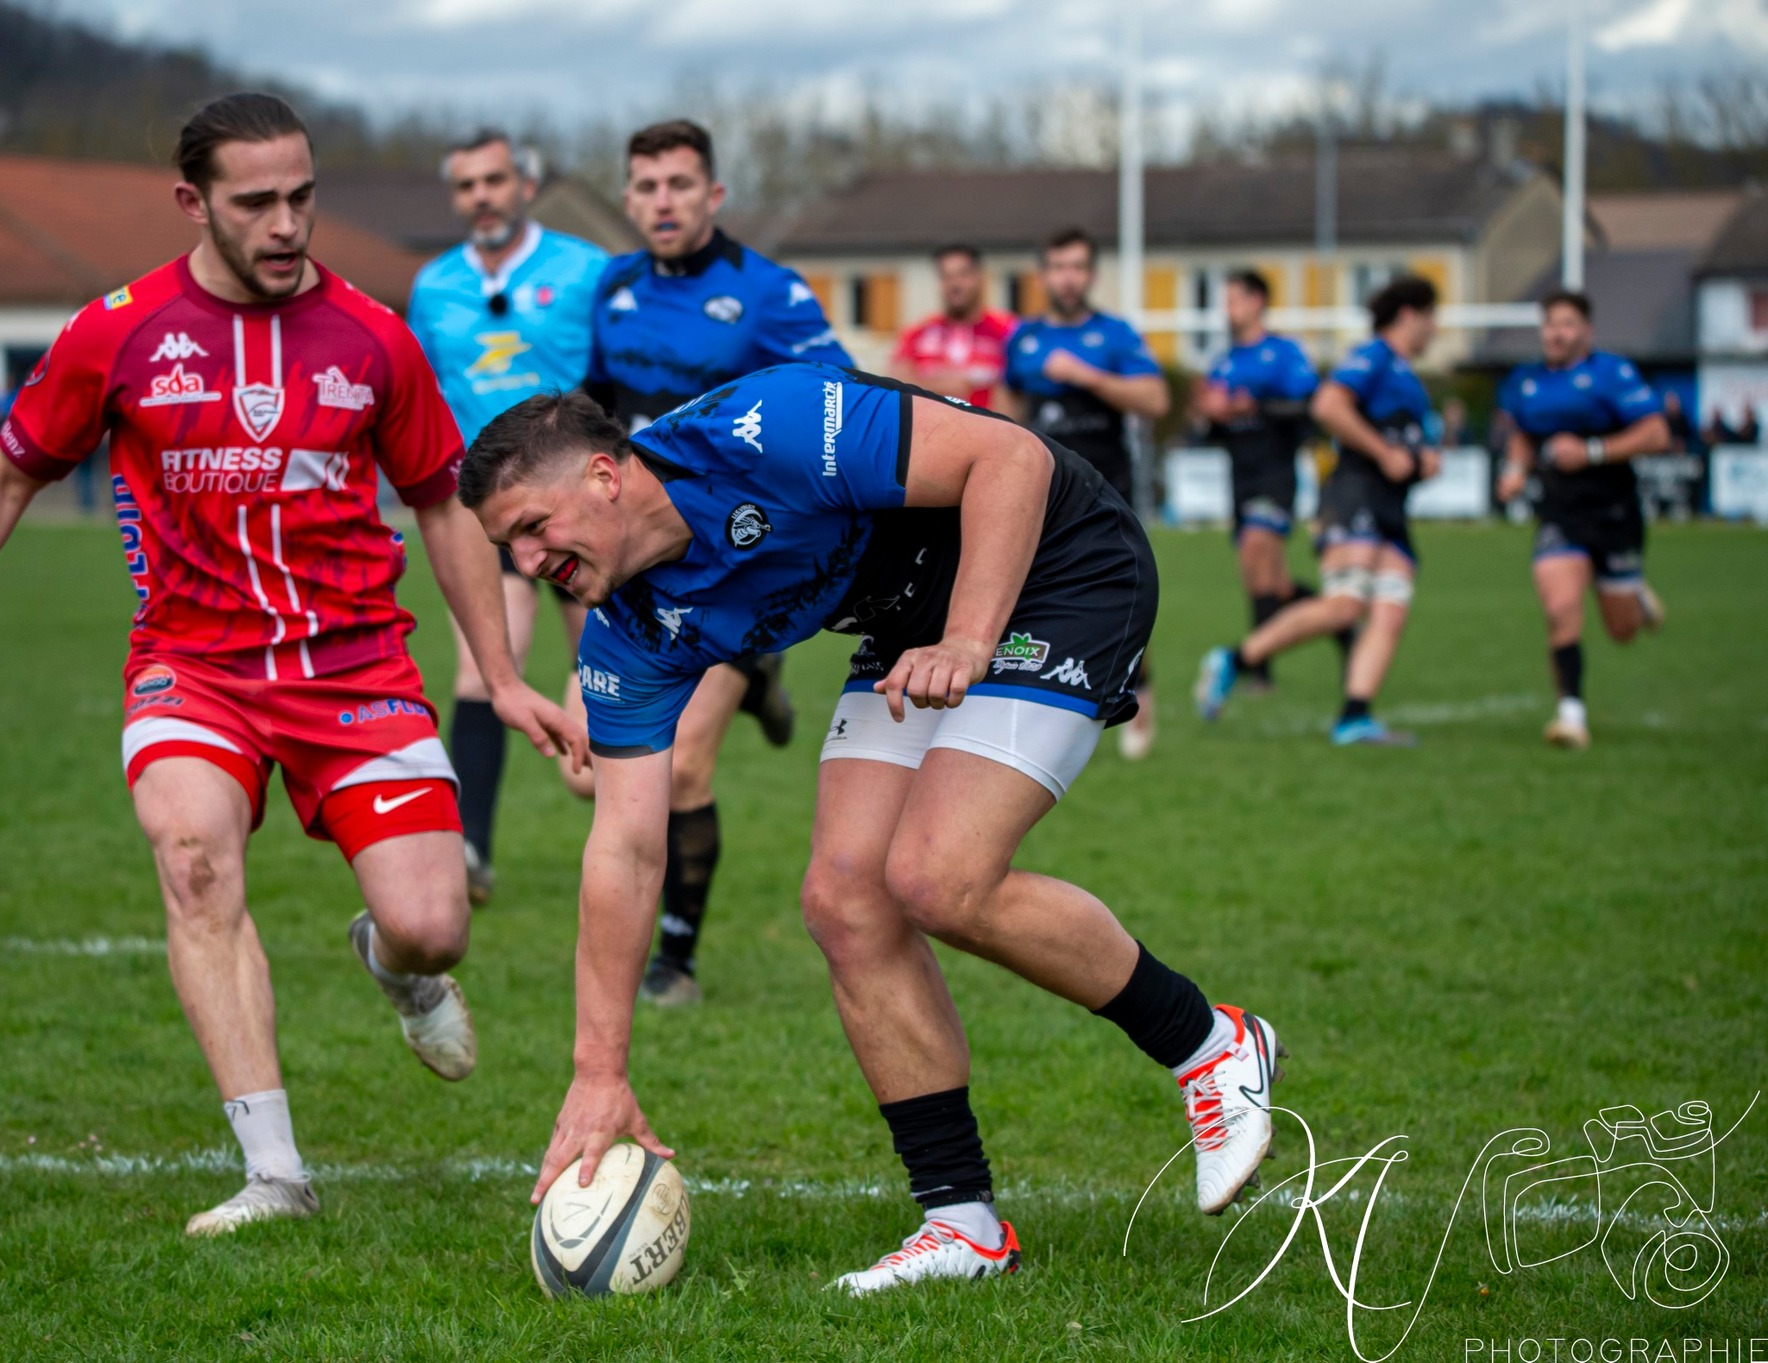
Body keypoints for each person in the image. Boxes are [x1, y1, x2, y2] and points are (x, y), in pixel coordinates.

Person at [0, 92, 582, 1237]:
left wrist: (501, 669)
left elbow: (440, 505)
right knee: (192, 860)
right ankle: (276, 1171)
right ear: (194, 203)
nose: (287, 224)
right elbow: (5, 476)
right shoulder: (119, 330)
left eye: (301, 197)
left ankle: (398, 968)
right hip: (192, 667)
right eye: (257, 203)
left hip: (352, 665)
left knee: (434, 923)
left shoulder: (375, 337)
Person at [464, 367, 1281, 1292]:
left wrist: (970, 641)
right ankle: (960, 1220)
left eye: (533, 528)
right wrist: (597, 1070)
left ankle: (1210, 1044)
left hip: (1059, 561)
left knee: (941, 876)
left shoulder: (761, 428)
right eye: (509, 545)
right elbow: (624, 845)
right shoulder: (626, 630)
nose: (527, 562)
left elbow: (1007, 457)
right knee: (845, 898)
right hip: (905, 620)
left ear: (605, 478)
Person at [582, 119, 852, 1006]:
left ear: (714, 195)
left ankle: (676, 960)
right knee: (594, 762)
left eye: (681, 184)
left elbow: (844, 403)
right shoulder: (611, 290)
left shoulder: (769, 294)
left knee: (684, 765)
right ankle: (764, 690)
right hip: (638, 561)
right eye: (648, 185)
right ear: (629, 198)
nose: (664, 201)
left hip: (742, 559)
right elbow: (589, 410)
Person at [408, 128, 610, 904]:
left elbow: (618, 378)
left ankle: (623, 829)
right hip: (484, 510)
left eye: (495, 180)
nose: (481, 197)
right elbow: (423, 397)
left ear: (525, 185)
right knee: (481, 666)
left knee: (593, 714)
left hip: (579, 507)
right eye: (467, 186)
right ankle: (470, 850)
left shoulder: (584, 271)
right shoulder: (434, 287)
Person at [1196, 274, 1442, 746]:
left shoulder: (1407, 376)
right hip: (1354, 494)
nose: (1434, 332)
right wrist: (1383, 452)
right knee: (1344, 606)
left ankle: (1354, 716)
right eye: (1432, 320)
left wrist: (1420, 461)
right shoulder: (1374, 357)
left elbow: (1405, 444)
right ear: (1411, 315)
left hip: (1389, 504)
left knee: (1389, 611)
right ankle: (1235, 659)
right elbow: (1329, 405)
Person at [1001, 227, 1170, 758]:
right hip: (1043, 485)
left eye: (1077, 267)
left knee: (1116, 592)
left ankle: (1137, 691)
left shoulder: (1115, 335)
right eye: (1058, 266)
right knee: (1024, 589)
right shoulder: (1023, 339)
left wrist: (1086, 375)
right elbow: (1008, 408)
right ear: (1044, 274)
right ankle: (1038, 700)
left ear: (1091, 275)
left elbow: (1157, 400)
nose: (1067, 277)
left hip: (1107, 485)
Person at [1494, 290, 1671, 750]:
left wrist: (1592, 451)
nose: (1557, 332)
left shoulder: (1611, 373)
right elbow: (1522, 437)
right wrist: (1514, 469)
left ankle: (1637, 599)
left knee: (1622, 631)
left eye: (1568, 323)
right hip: (1559, 512)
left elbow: (1656, 432)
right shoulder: (1525, 382)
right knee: (1560, 609)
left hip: (1613, 512)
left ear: (1586, 332)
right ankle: (1571, 714)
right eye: (1551, 323)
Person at [1192, 269, 1339, 691]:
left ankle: (1258, 671)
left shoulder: (1284, 352)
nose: (1228, 308)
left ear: (1258, 302)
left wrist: (1251, 405)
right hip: (1239, 477)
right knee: (1268, 581)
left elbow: (1306, 406)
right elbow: (1212, 430)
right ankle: (1338, 621)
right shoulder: (1222, 361)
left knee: (1257, 552)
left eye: (1235, 298)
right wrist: (1209, 416)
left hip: (1275, 473)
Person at [889, 245, 1014, 409]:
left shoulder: (1007, 330)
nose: (955, 284)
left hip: (992, 429)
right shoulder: (917, 333)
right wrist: (950, 385)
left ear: (980, 277)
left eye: (963, 274)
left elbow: (1019, 389)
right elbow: (897, 384)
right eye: (946, 276)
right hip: (931, 429)